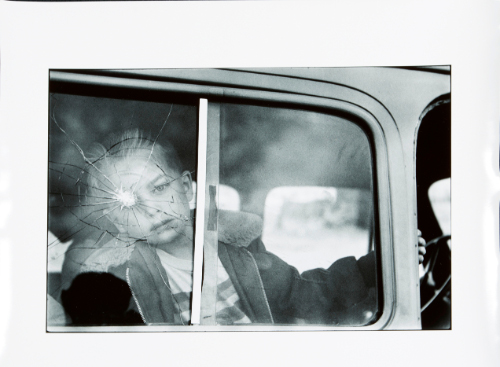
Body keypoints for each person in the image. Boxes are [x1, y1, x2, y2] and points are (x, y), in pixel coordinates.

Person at [59, 129, 426, 326]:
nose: (153, 209)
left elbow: (307, 293)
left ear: (187, 189)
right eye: (129, 202)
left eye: (158, 188)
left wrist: (378, 266)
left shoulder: (241, 253)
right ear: (119, 219)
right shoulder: (119, 279)